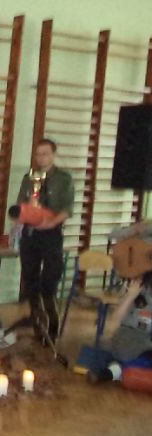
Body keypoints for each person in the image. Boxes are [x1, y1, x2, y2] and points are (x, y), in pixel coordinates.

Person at [15, 138, 74, 344]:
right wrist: (25, 213)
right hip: (30, 233)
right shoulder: (29, 178)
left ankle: (52, 323)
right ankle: (37, 323)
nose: (41, 158)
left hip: (51, 233)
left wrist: (51, 223)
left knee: (50, 278)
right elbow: (20, 205)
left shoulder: (64, 179)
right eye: (38, 154)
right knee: (30, 278)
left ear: (53, 155)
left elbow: (67, 208)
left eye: (45, 154)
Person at [88, 274, 152, 383]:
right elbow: (116, 318)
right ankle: (117, 370)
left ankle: (114, 371)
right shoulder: (138, 294)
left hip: (143, 345)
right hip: (126, 339)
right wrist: (130, 296)